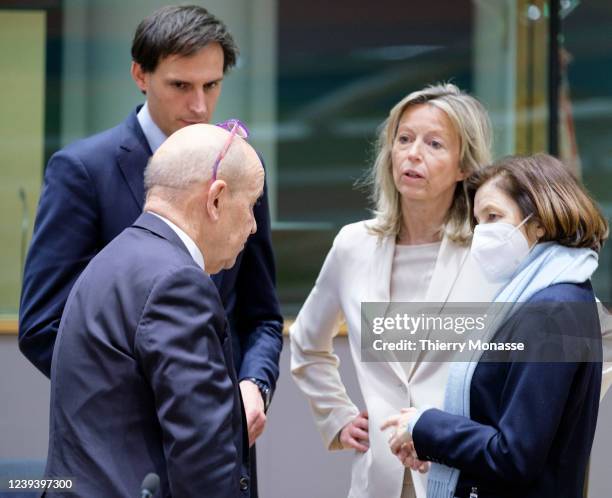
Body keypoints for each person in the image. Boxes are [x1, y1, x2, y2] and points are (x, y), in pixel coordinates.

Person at [19, 7, 282, 493]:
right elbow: (44, 325)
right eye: (181, 86)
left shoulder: (242, 166)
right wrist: (157, 395)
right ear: (141, 74)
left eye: (212, 85)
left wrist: (251, 387)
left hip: (219, 437)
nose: (200, 106)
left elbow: (261, 313)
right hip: (124, 448)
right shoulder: (82, 170)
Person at [289, 83, 494, 498]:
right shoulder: (353, 245)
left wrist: (515, 437)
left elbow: (585, 339)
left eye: (434, 143)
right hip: (378, 478)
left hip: (463, 474)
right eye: (404, 139)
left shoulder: (489, 250)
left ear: (463, 166)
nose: (413, 153)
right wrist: (337, 417)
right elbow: (307, 344)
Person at [44, 123, 262, 498]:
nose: (254, 226)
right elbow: (202, 456)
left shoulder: (112, 259)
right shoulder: (178, 283)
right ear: (215, 200)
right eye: (251, 205)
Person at [382, 153, 608, 498]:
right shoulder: (537, 300)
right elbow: (496, 422)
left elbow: (515, 454)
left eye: (494, 216)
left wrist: (425, 425)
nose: (482, 232)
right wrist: (427, 439)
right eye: (478, 221)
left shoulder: (552, 310)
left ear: (540, 222)